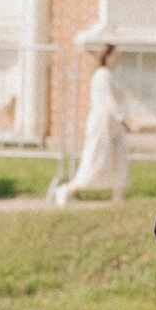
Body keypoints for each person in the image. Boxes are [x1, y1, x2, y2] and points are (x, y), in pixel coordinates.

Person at [51, 42, 134, 204]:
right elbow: (110, 103)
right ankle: (66, 190)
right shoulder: (101, 75)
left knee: (120, 159)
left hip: (113, 126)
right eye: (115, 55)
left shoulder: (110, 75)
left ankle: (118, 199)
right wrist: (128, 121)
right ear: (107, 56)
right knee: (96, 161)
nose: (118, 58)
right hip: (102, 126)